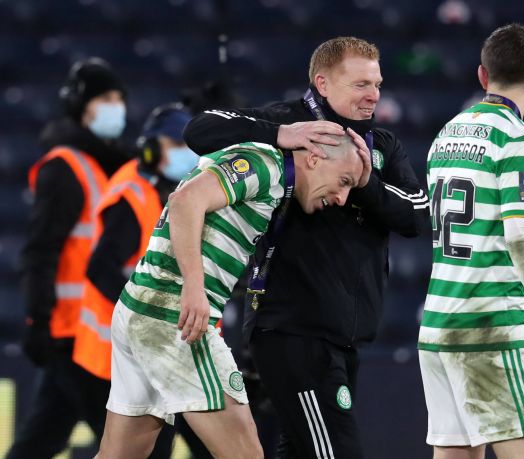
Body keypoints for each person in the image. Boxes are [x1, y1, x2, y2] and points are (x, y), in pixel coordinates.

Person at [184, 36, 429, 458]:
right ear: (323, 83)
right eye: (361, 85)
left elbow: (418, 217)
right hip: (293, 329)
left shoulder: (383, 146)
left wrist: (364, 182)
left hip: (345, 336)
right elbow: (200, 129)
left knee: (300, 450)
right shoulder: (287, 121)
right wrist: (280, 133)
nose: (374, 95)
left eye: (377, 84)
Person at [96, 133, 369, 458]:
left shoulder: (265, 172)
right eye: (344, 181)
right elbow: (185, 200)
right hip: (175, 318)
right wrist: (193, 287)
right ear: (314, 158)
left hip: (138, 310)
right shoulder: (267, 166)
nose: (342, 197)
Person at [418, 23, 524, 459]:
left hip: (437, 324)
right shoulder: (518, 139)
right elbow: (521, 235)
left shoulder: (445, 134)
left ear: (482, 75)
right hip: (488, 328)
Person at [9, 57, 130, 458]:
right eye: (105, 99)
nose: (116, 107)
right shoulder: (66, 168)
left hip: (90, 330)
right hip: (73, 333)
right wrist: (39, 319)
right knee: (129, 445)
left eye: (119, 98)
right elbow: (40, 251)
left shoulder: (103, 166)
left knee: (42, 438)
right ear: (81, 106)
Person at [70, 103, 200, 457]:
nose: (185, 153)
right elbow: (100, 269)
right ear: (152, 149)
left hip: (155, 353)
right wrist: (150, 311)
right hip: (116, 358)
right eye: (175, 144)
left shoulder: (172, 190)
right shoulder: (134, 196)